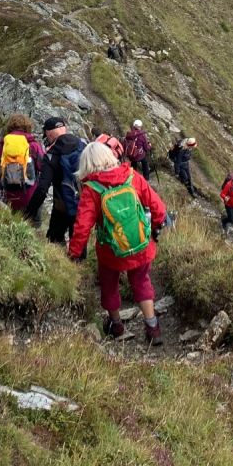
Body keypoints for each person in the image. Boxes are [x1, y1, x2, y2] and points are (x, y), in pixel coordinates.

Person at [68, 140, 168, 345]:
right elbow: (157, 206)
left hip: (110, 250)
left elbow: (82, 226)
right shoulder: (132, 176)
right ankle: (152, 327)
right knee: (141, 281)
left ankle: (117, 325)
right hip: (140, 243)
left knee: (109, 285)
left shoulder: (92, 189)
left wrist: (74, 253)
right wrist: (156, 228)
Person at [27, 116, 84, 244]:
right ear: (65, 128)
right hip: (83, 204)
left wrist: (28, 213)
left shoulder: (51, 155)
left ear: (49, 134)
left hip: (61, 206)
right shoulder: (82, 145)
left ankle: (58, 252)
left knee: (55, 240)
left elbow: (42, 189)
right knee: (78, 244)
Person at [0, 114, 45, 218]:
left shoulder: (5, 144)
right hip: (29, 196)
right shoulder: (34, 145)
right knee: (35, 220)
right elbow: (43, 167)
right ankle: (35, 224)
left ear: (10, 126)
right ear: (28, 127)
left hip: (9, 196)